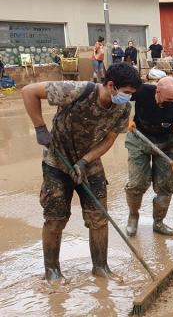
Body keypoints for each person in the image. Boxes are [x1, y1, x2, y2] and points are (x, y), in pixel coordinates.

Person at [21, 63, 142, 285]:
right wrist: (40, 128)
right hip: (57, 163)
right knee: (55, 219)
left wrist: (85, 162)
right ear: (111, 85)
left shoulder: (123, 109)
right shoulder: (77, 90)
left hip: (90, 164)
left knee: (98, 217)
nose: (128, 98)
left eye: (132, 95)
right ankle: (52, 271)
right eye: (126, 93)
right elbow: (29, 92)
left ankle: (100, 267)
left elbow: (109, 140)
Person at [124, 77, 173, 237]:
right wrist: (125, 118)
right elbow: (120, 98)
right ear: (158, 92)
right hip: (139, 139)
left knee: (166, 186)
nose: (172, 102)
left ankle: (159, 222)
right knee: (136, 183)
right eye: (169, 99)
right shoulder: (142, 91)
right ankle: (133, 215)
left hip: (166, 144)